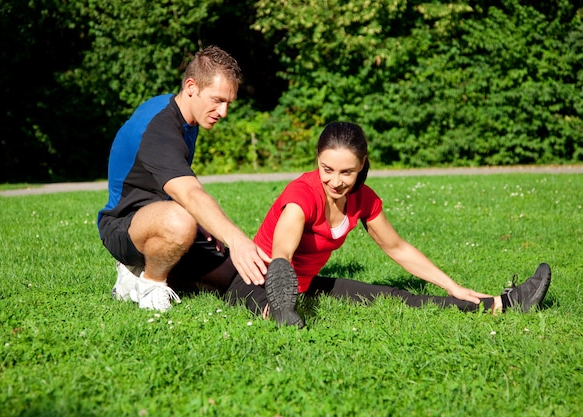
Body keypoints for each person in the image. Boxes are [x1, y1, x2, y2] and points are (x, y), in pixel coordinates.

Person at [225, 122, 552, 327]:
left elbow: (398, 249)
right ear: (317, 161)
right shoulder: (302, 196)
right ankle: (281, 315)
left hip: (304, 284)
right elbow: (281, 253)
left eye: (346, 173)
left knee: (392, 295)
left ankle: (503, 304)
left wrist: (451, 285)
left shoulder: (363, 199)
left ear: (361, 165)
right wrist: (283, 305)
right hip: (260, 283)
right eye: (327, 169)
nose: (335, 182)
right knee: (276, 311)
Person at [98, 45, 271, 312]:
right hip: (124, 228)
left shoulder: (185, 116)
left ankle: (273, 309)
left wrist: (209, 230)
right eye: (217, 100)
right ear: (192, 86)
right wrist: (236, 240)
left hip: (159, 219)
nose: (223, 112)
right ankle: (148, 284)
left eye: (228, 103)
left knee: (234, 274)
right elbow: (190, 195)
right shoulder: (160, 128)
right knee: (181, 220)